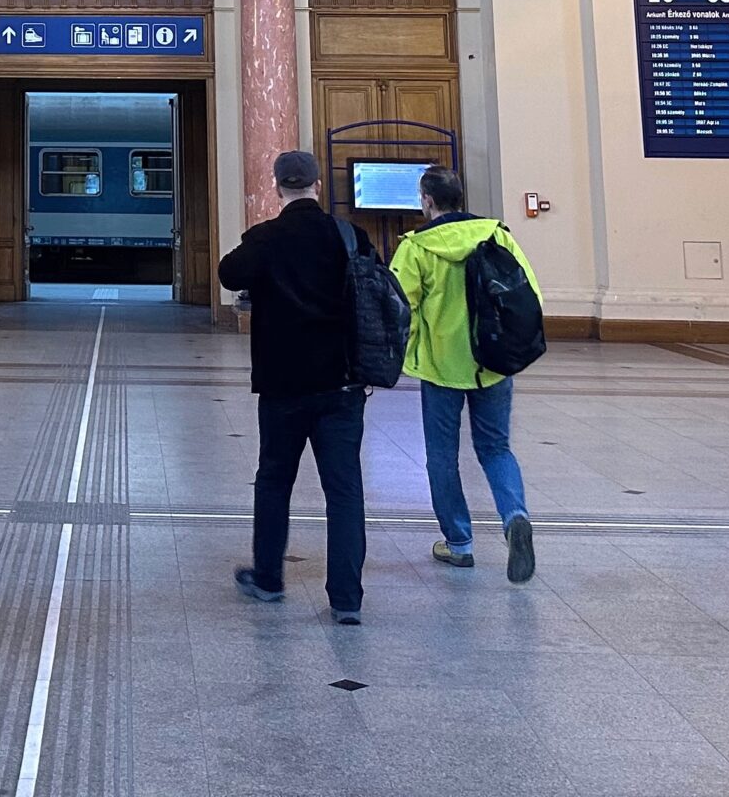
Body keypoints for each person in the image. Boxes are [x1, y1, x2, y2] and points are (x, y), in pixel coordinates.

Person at [217, 149, 372, 624]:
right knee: (344, 489)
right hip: (342, 382)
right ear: (317, 185)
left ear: (277, 186)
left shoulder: (267, 237)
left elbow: (228, 272)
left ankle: (268, 579)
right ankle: (346, 599)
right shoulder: (349, 236)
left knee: (274, 479)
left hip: (283, 384)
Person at [389, 166, 539, 583]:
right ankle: (515, 517)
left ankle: (459, 543)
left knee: (442, 457)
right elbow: (529, 294)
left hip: (441, 368)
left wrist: (405, 356)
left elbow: (400, 309)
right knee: (496, 448)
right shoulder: (497, 235)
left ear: (427, 200)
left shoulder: (416, 247)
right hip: (493, 364)